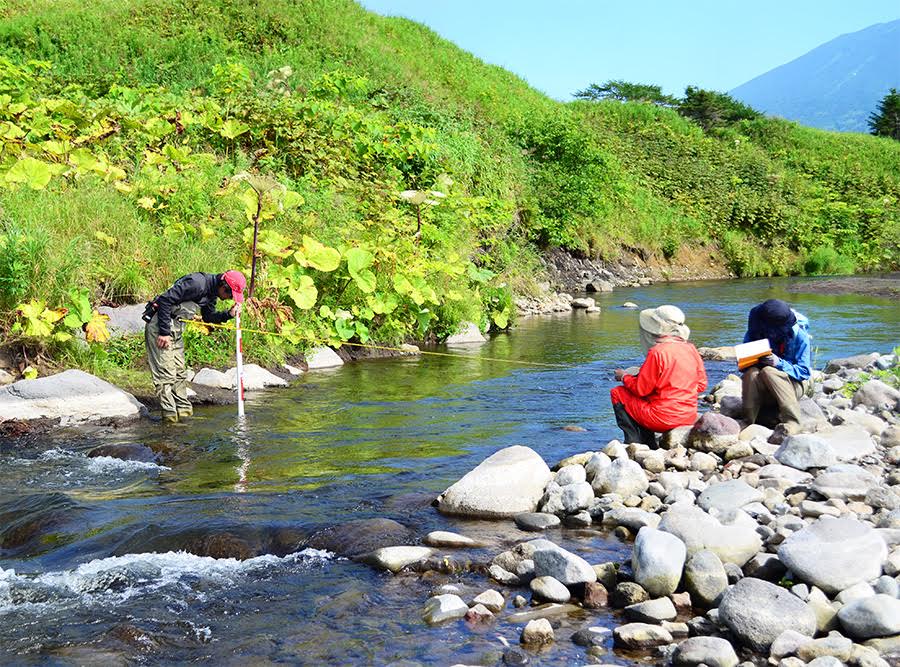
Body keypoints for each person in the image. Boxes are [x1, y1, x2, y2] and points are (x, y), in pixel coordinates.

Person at [143, 271, 245, 423]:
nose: (230, 298)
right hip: (160, 327)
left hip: (176, 330)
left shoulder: (211, 293)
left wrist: (228, 315)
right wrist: (164, 333)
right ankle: (170, 420)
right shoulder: (197, 283)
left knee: (180, 373)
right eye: (230, 294)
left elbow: (208, 318)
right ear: (223, 286)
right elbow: (165, 300)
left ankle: (184, 414)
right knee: (166, 374)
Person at [610, 305, 707, 446]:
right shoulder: (690, 348)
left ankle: (635, 441)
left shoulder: (657, 352)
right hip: (688, 416)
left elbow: (641, 390)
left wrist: (624, 376)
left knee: (617, 392)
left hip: (662, 419)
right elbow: (701, 385)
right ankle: (648, 443)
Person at [741, 298, 811, 428]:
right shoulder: (756, 330)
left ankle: (793, 422)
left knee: (770, 371)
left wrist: (779, 363)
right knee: (751, 373)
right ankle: (747, 421)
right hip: (764, 388)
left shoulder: (800, 335)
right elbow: (744, 367)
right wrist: (747, 361)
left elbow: (804, 372)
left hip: (793, 386)